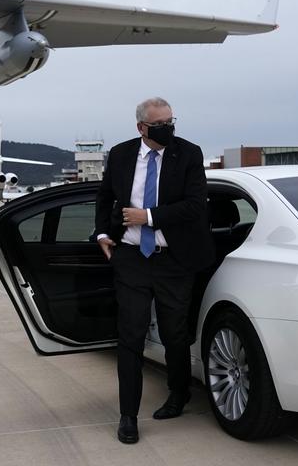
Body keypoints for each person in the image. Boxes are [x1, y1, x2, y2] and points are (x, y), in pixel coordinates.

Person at [95, 97, 214, 444]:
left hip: (173, 259)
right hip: (131, 257)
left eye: (171, 120)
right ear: (141, 127)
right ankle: (127, 416)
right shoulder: (119, 154)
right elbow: (104, 197)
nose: (168, 127)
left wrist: (147, 216)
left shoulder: (188, 154)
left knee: (174, 333)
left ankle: (179, 394)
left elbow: (195, 206)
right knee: (130, 336)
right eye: (160, 123)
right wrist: (103, 233)